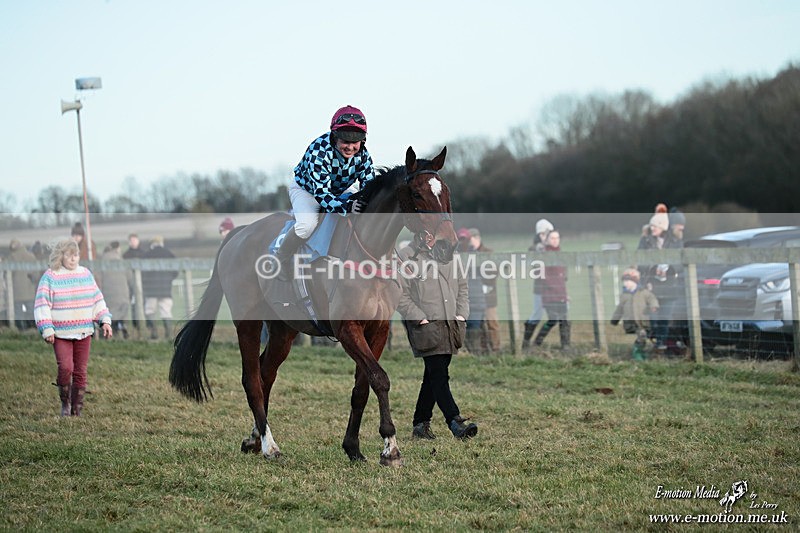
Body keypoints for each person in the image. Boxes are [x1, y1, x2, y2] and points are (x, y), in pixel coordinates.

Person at [275, 105, 375, 278]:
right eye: (345, 140)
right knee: (306, 226)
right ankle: (281, 258)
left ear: (363, 141)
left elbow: (369, 187)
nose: (350, 147)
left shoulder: (364, 155)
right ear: (334, 137)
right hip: (308, 190)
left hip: (340, 188)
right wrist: (348, 206)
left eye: (355, 141)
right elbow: (323, 196)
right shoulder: (319, 152)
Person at [397, 239, 478, 440]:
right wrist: (419, 318)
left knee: (432, 377)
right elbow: (400, 294)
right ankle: (455, 422)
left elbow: (463, 288)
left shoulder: (450, 252)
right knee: (439, 375)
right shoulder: (407, 255)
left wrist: (461, 315)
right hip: (427, 328)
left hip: (451, 326)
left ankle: (420, 424)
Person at [33, 239, 112, 416]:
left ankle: (78, 407)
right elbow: (42, 304)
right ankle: (65, 403)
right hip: (60, 333)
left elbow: (97, 300)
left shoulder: (85, 274)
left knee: (80, 370)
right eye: (69, 256)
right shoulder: (50, 276)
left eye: (76, 255)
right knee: (66, 367)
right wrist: (47, 328)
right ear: (61, 256)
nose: (73, 259)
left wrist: (104, 320)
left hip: (84, 331)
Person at [638, 208, 683, 351]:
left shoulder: (675, 241)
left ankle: (661, 346)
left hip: (670, 286)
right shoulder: (645, 241)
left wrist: (670, 269)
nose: (652, 229)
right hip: (652, 286)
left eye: (655, 226)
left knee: (665, 318)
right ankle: (655, 342)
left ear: (663, 226)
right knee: (654, 318)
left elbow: (681, 263)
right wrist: (651, 270)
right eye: (651, 226)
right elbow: (640, 261)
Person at [532, 231, 571, 351]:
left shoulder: (560, 254)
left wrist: (565, 293)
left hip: (561, 293)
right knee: (553, 319)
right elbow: (541, 274)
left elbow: (563, 276)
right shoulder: (544, 255)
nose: (555, 240)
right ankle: (537, 343)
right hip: (549, 293)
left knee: (565, 319)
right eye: (552, 238)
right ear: (547, 240)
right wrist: (553, 286)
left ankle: (566, 346)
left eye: (557, 238)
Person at [610, 268, 659, 361]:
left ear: (634, 282)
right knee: (642, 336)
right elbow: (619, 309)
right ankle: (638, 355)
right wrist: (614, 320)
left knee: (644, 337)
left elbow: (652, 299)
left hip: (643, 321)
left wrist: (654, 306)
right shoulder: (624, 296)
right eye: (624, 281)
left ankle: (641, 353)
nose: (625, 284)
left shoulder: (644, 293)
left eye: (627, 281)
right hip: (631, 323)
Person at [522, 218, 554, 350]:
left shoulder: (553, 248)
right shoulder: (535, 249)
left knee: (556, 316)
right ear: (541, 234)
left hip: (554, 287)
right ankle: (526, 343)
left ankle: (537, 342)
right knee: (537, 314)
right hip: (541, 288)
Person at [468, 228, 500, 353]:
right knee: (478, 323)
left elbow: (494, 272)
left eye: (470, 240)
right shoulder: (466, 253)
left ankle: (496, 348)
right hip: (474, 296)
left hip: (488, 295)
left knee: (492, 322)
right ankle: (483, 348)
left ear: (477, 239)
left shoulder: (488, 253)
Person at [457, 228, 487, 355]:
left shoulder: (477, 256)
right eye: (460, 239)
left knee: (475, 328)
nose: (462, 241)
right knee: (463, 329)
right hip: (460, 300)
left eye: (465, 239)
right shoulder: (452, 255)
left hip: (476, 297)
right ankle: (467, 354)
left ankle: (476, 355)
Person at [141, 236, 177, 340]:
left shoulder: (146, 255)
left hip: (150, 289)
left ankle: (154, 333)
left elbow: (142, 273)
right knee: (166, 311)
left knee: (150, 310)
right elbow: (175, 271)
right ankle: (168, 334)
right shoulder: (169, 254)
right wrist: (168, 280)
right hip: (166, 289)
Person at [96, 241, 132, 339]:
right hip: (123, 292)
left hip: (108, 293)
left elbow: (98, 278)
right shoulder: (121, 260)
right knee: (122, 313)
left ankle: (112, 334)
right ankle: (122, 329)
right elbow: (129, 277)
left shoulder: (101, 262)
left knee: (110, 314)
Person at [8, 239, 37, 330]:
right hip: (29, 291)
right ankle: (33, 330)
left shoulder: (11, 257)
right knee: (31, 312)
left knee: (18, 313)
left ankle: (21, 332)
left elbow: (9, 275)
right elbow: (35, 275)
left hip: (16, 291)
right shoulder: (31, 256)